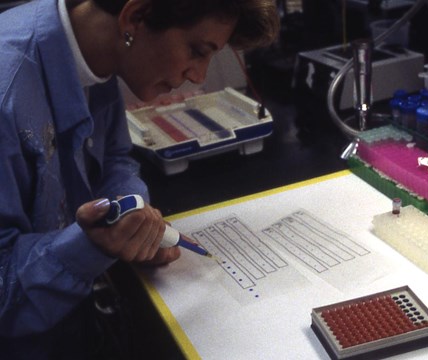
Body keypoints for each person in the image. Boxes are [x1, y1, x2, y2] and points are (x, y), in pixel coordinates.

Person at [0, 0, 279, 358]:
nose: (199, 76)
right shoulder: (8, 91)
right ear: (136, 16)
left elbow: (115, 159)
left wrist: (129, 212)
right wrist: (94, 246)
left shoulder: (93, 55)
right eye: (197, 50)